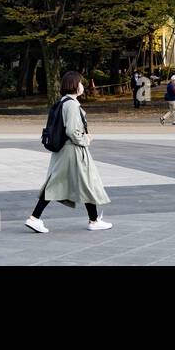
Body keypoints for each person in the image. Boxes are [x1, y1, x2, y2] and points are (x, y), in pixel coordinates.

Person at [25, 71, 112, 233]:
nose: (82, 86)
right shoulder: (71, 104)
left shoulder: (63, 102)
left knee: (65, 183)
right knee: (85, 183)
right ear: (73, 85)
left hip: (63, 150)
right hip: (73, 151)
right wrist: (86, 139)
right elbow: (72, 131)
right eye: (80, 83)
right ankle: (35, 218)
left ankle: (92, 220)